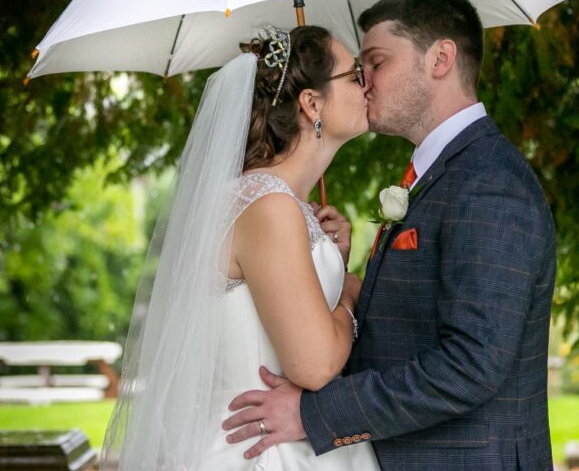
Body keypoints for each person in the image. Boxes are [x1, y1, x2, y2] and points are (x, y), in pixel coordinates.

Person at [223, 0, 558, 469]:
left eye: (376, 63)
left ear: (440, 58)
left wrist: (317, 413)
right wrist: (333, 272)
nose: (366, 82)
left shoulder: (489, 184)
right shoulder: (442, 173)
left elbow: (472, 365)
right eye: (358, 70)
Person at [100, 25, 380, 470]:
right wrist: (348, 292)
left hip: (298, 438)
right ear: (311, 104)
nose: (368, 84)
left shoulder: (278, 201)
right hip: (264, 450)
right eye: (354, 75)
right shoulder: (268, 204)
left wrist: (333, 257)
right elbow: (315, 364)